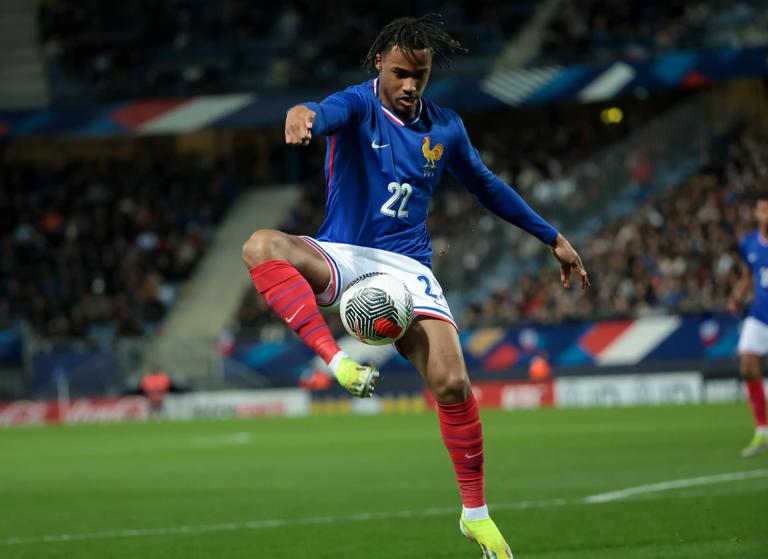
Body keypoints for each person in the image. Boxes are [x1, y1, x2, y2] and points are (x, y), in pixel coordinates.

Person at [242, 15, 589, 558]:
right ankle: (336, 362)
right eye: (400, 73)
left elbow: (488, 188)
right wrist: (302, 112)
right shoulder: (358, 105)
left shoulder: (445, 127)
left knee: (453, 384)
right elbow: (324, 112)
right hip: (344, 255)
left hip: (409, 269)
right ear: (380, 63)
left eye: (419, 77)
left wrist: (554, 238)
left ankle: (475, 515)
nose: (409, 86)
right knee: (260, 245)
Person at [728, 193, 768, 458]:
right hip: (760, 314)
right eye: (763, 209)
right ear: (756, 213)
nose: (767, 214)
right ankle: (762, 430)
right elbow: (748, 276)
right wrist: (736, 296)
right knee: (747, 366)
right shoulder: (748, 243)